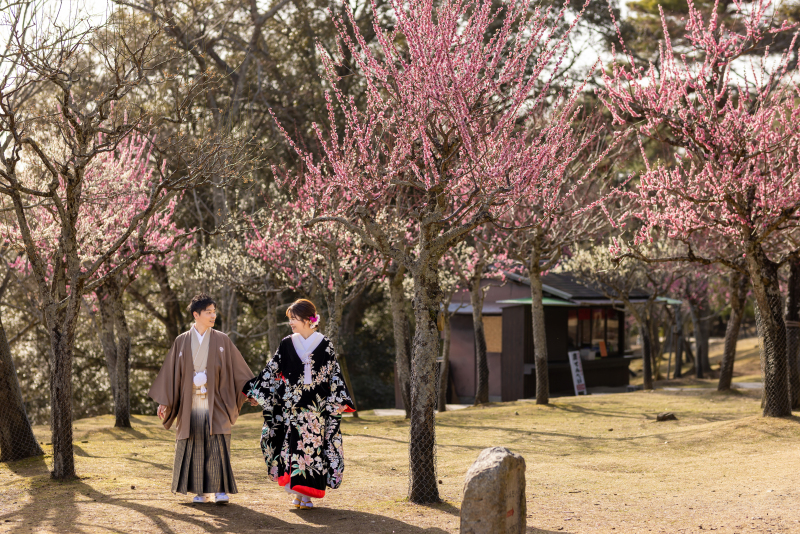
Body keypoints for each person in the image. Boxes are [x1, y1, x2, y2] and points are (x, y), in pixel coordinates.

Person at [244, 298, 355, 509]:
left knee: (312, 452)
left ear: (307, 319)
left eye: (294, 319)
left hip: (316, 411)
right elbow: (271, 370)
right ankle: (297, 494)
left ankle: (308, 496)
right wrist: (256, 393)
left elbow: (335, 376)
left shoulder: (325, 344)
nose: (291, 323)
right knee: (293, 450)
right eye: (290, 319)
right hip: (292, 410)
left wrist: (340, 400)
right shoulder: (287, 343)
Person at [149, 294, 254, 504]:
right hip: (191, 402)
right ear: (196, 314)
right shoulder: (182, 341)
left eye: (214, 311)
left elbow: (238, 370)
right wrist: (165, 401)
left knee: (218, 443)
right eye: (208, 312)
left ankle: (220, 490)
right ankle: (201, 491)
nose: (213, 315)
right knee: (196, 444)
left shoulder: (222, 339)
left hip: (217, 399)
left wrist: (251, 390)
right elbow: (172, 374)